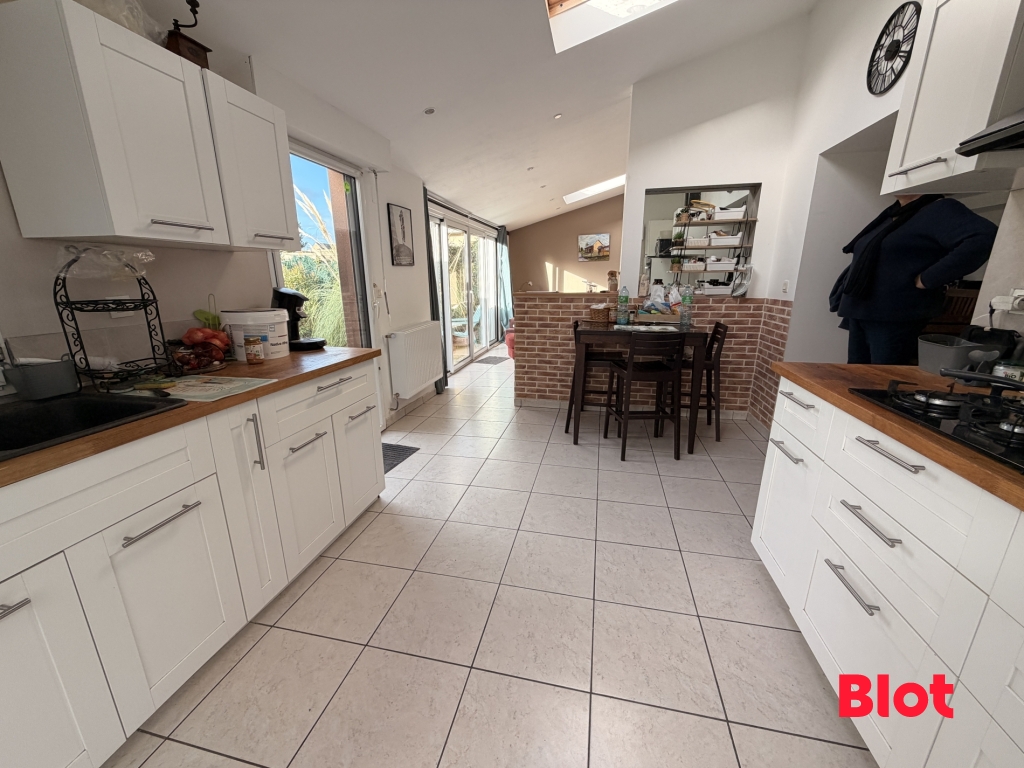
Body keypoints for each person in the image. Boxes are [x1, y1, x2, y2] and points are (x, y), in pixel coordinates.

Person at [830, 194, 997, 365]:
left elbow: (983, 237)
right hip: (862, 310)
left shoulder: (940, 209)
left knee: (882, 376)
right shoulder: (894, 214)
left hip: (895, 313)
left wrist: (928, 278)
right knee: (855, 375)